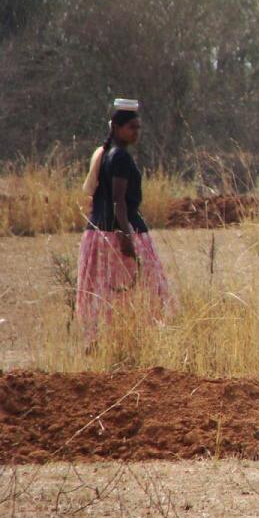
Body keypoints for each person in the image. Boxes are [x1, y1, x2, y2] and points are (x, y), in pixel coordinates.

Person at [76, 99, 174, 345]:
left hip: (101, 233)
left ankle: (106, 342)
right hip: (117, 233)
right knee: (146, 288)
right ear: (117, 128)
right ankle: (132, 340)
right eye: (132, 127)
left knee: (107, 292)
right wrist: (126, 236)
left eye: (138, 128)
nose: (136, 132)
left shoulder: (107, 154)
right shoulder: (119, 157)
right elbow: (118, 199)